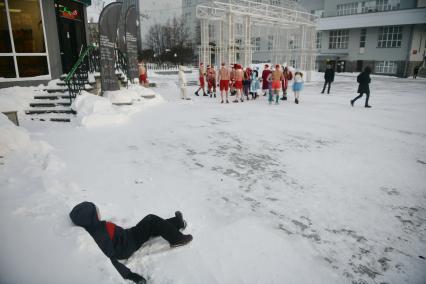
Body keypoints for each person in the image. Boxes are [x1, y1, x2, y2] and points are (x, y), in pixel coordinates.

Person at [70, 202, 192, 284]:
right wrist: (131, 276)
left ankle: (177, 223)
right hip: (128, 244)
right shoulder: (99, 234)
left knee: (149, 224)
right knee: (151, 220)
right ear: (91, 217)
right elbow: (110, 259)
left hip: (126, 236)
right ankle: (177, 239)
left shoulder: (96, 227)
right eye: (96, 212)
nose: (99, 212)